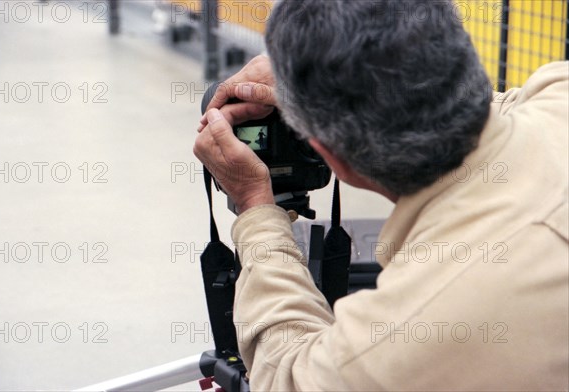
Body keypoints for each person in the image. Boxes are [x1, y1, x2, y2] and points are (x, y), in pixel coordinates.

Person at [194, 1, 568, 390]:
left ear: (332, 158)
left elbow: (289, 374)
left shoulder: (413, 327)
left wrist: (255, 206)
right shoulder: (559, 91)